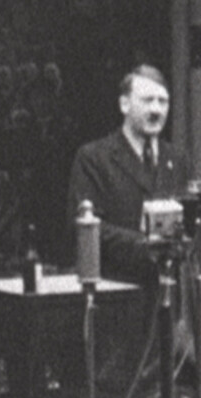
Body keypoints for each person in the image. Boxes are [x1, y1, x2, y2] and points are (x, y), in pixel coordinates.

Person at [67, 64, 188, 283]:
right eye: (147, 100)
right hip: (116, 290)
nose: (156, 110)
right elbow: (86, 228)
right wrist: (146, 245)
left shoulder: (176, 159)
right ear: (124, 104)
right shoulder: (94, 158)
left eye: (163, 102)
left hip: (167, 291)